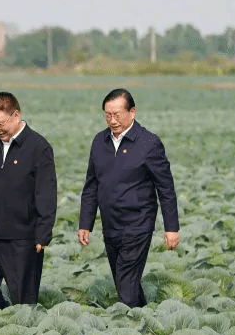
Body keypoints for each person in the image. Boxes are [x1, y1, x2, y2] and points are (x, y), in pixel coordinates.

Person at [77, 88, 180, 307]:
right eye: (107, 115)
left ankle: (126, 322)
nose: (112, 120)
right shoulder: (99, 141)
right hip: (110, 224)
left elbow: (166, 188)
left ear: (132, 112)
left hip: (138, 225)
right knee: (125, 281)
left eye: (117, 114)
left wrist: (171, 228)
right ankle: (144, 317)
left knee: (126, 282)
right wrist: (85, 223)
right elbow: (91, 184)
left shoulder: (149, 143)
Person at [0, 92, 57, 308]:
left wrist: (43, 233)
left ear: (16, 115)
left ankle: (23, 327)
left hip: (23, 238)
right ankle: (2, 318)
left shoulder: (39, 147)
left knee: (23, 300)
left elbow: (46, 194)